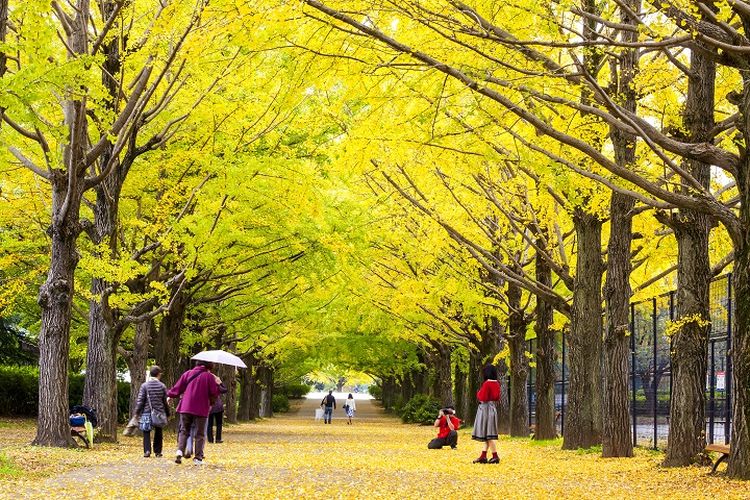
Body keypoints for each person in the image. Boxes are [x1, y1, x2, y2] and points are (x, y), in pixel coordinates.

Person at [167, 361, 220, 465]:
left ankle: (180, 451)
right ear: (209, 365)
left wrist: (170, 395)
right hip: (201, 408)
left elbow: (177, 388)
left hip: (186, 407)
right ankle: (198, 458)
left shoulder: (187, 373)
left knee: (184, 430)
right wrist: (217, 385)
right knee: (200, 434)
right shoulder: (209, 377)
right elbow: (214, 393)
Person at [134, 366, 169, 458]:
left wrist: (137, 412)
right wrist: (167, 412)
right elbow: (165, 401)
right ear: (159, 374)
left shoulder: (144, 386)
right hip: (158, 412)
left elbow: (140, 400)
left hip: (146, 411)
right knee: (158, 431)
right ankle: (157, 451)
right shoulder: (162, 386)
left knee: (146, 431)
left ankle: (147, 451)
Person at [472, 364, 501, 464]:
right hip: (492, 408)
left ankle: (495, 456)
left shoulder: (487, 384)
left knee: (488, 435)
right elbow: (497, 397)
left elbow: (482, 397)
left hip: (485, 409)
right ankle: (483, 456)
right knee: (487, 434)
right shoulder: (497, 383)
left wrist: (478, 392)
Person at [208, 374, 228, 443]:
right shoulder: (217, 386)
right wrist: (220, 383)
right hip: (218, 407)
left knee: (209, 424)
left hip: (209, 406)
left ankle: (210, 439)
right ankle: (218, 439)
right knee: (219, 423)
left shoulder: (207, 386)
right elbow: (225, 390)